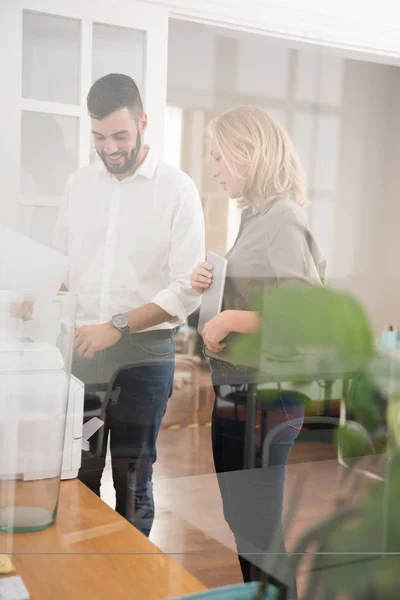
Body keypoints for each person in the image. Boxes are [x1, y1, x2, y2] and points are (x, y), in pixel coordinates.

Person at [54, 73, 205, 537]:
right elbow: (62, 267)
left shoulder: (177, 190)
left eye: (120, 135)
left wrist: (116, 325)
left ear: (142, 122)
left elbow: (185, 288)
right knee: (80, 470)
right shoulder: (79, 186)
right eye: (99, 137)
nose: (110, 147)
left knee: (133, 479)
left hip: (144, 358)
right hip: (85, 357)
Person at [191, 105, 325, 595]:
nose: (215, 168)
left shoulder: (284, 218)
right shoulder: (257, 217)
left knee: (259, 529)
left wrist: (231, 317)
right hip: (235, 389)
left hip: (265, 396)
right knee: (242, 520)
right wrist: (211, 287)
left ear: (248, 154)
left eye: (219, 156)